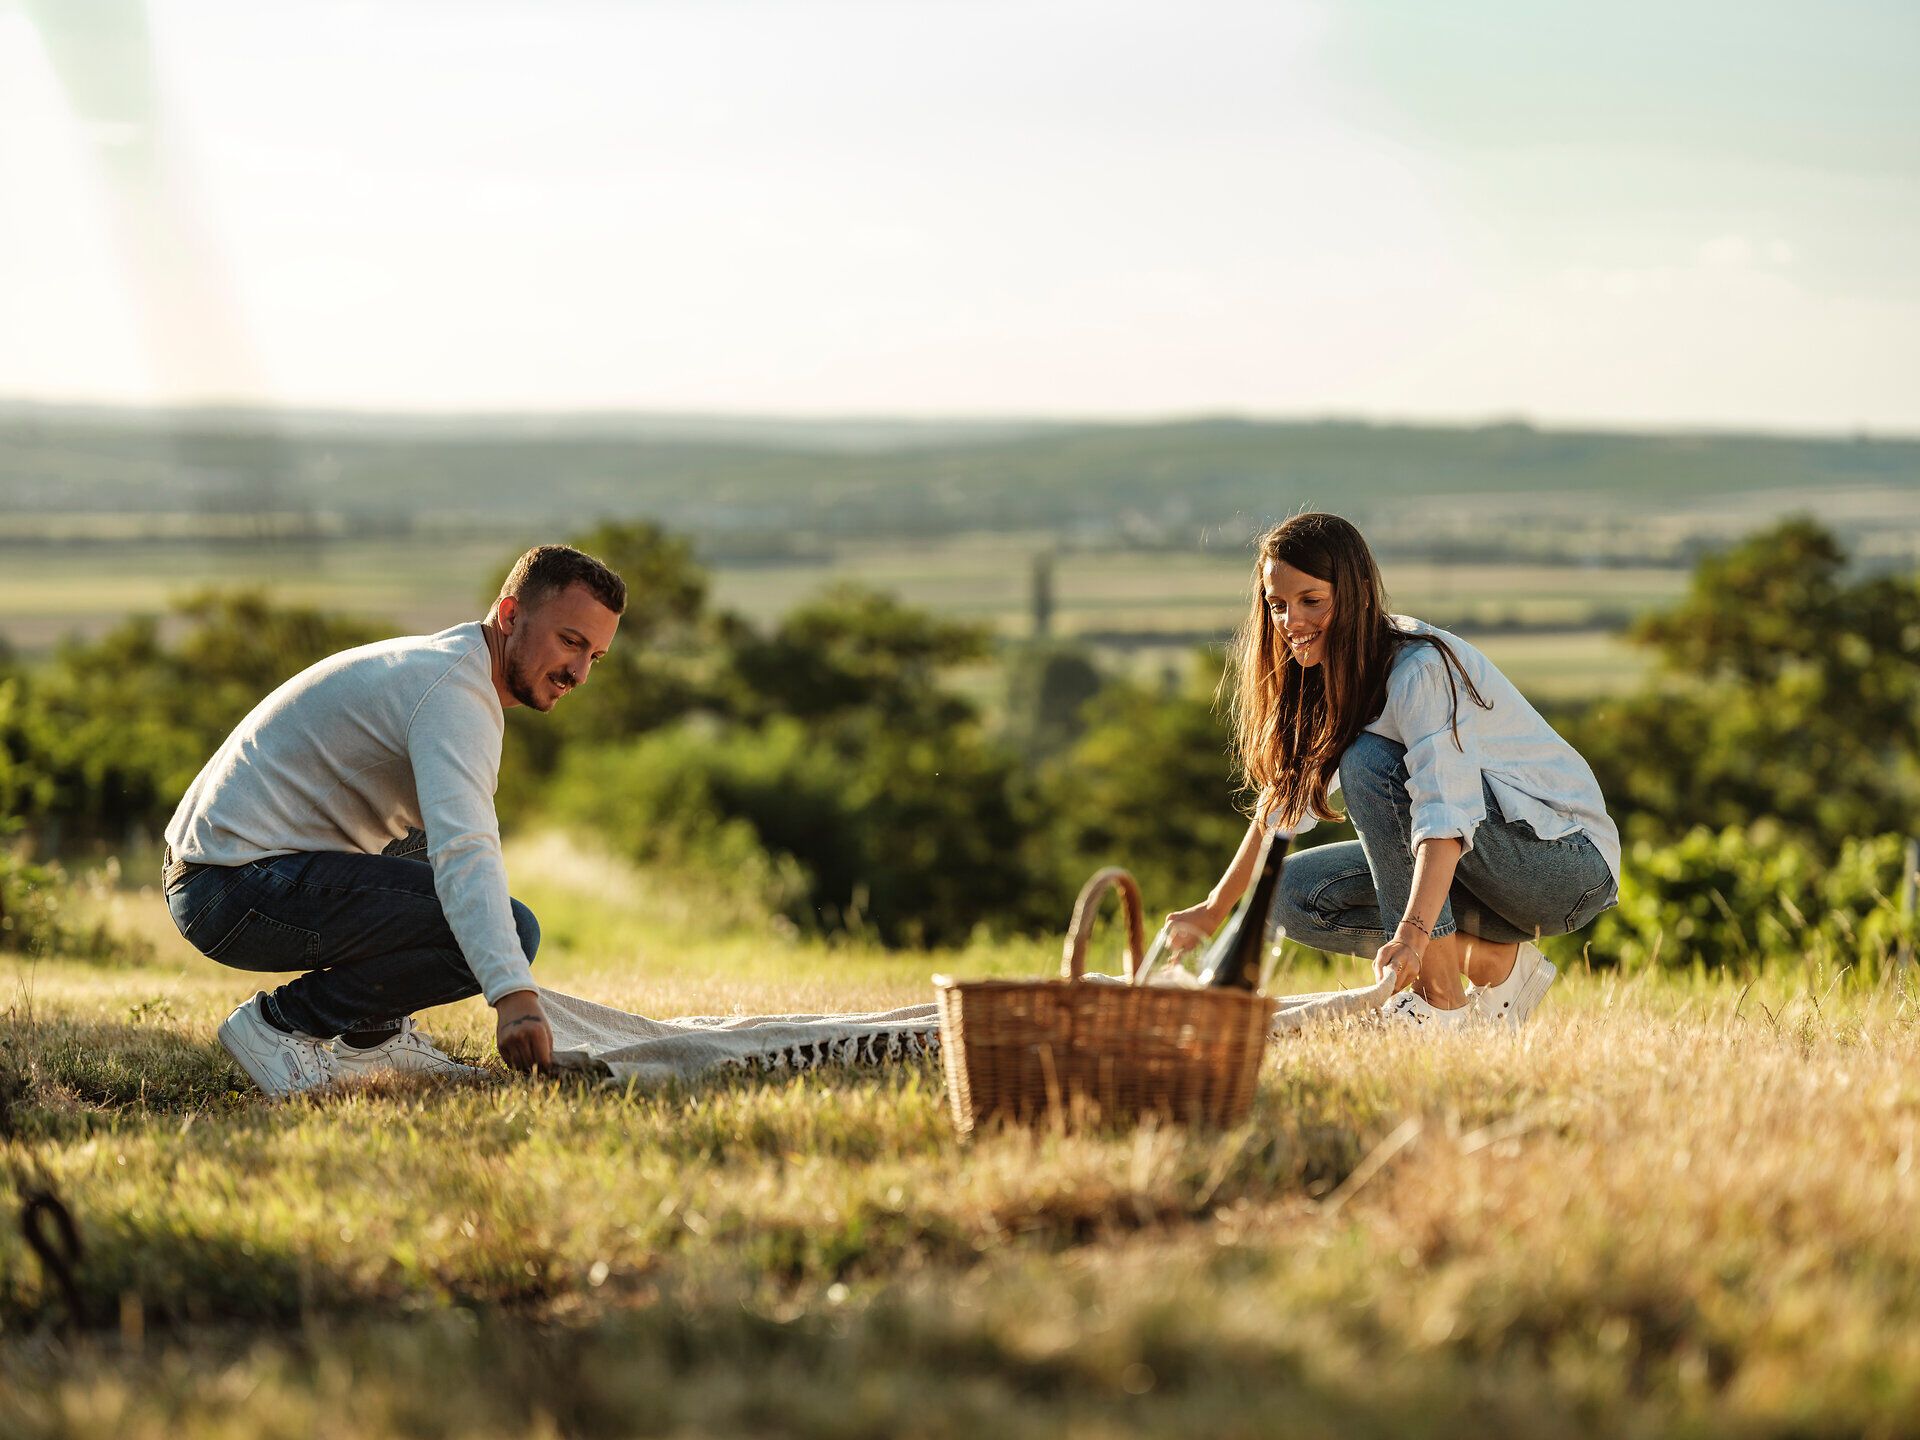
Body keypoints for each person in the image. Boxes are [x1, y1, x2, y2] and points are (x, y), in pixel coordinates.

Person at [161, 544, 625, 1096]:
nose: (577, 672)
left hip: (222, 871)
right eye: (570, 641)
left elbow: (442, 838)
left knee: (426, 844)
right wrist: (515, 997)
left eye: (593, 656)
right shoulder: (454, 695)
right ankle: (282, 1025)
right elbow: (466, 851)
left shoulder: (451, 668)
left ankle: (372, 1041)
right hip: (231, 887)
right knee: (514, 928)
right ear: (509, 616)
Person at [1166, 513, 1620, 1028]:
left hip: (1566, 866)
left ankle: (1440, 1006)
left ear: (1358, 595)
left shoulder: (1418, 669)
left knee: (1368, 762)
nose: (1290, 621)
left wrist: (1411, 934)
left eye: (1311, 601)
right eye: (1278, 605)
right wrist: (1211, 910)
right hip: (1485, 869)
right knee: (1291, 895)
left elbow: (1445, 818)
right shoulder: (1323, 675)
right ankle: (1499, 965)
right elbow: (1281, 810)